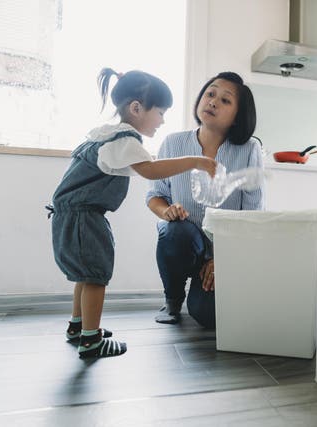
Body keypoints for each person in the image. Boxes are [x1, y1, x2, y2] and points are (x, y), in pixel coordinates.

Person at [48, 68, 217, 359]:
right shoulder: (125, 140)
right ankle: (91, 340)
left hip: (73, 215)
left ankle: (79, 327)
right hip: (84, 216)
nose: (163, 120)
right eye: (160, 112)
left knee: (84, 276)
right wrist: (196, 161)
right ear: (136, 108)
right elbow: (151, 169)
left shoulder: (104, 136)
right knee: (96, 277)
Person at [146, 71, 265, 328]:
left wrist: (223, 258)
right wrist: (167, 211)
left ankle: (200, 294)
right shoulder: (173, 143)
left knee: (207, 317)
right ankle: (173, 299)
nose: (212, 101)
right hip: (182, 241)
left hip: (225, 249)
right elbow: (155, 196)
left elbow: (252, 214)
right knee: (173, 231)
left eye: (225, 100)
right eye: (210, 94)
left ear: (237, 116)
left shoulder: (250, 150)